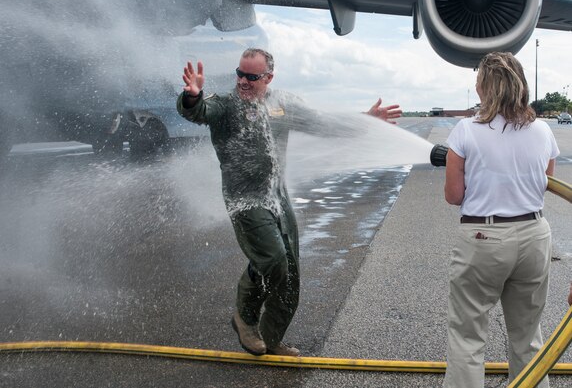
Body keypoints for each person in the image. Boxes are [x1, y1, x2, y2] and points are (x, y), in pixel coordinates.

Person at [177, 48, 401, 357]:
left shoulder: (282, 103)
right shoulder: (226, 105)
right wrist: (191, 96)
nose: (243, 81)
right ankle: (245, 318)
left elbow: (323, 124)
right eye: (240, 74)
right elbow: (199, 111)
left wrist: (366, 120)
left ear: (268, 77)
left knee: (290, 272)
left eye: (252, 77)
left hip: (277, 197)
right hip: (245, 201)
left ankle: (271, 339)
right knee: (272, 261)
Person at [442, 51, 559, 387]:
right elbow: (544, 182)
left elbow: (454, 196)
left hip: (484, 238)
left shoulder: (465, 130)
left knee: (468, 335)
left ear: (483, 89)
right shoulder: (542, 130)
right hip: (534, 234)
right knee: (528, 333)